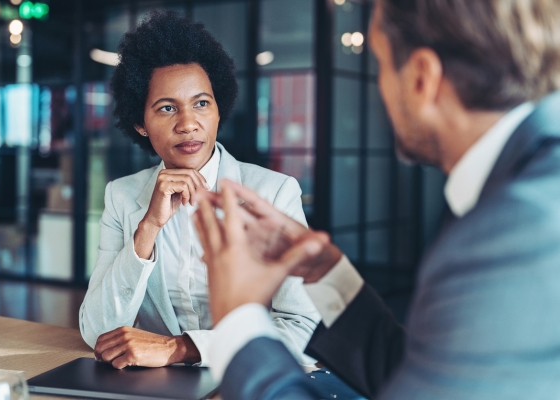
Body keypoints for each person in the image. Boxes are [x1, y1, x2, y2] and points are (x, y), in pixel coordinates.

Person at [193, 0, 560, 398]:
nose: (380, 90)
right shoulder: (525, 187)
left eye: (381, 65)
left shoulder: (520, 228)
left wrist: (238, 323)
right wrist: (326, 275)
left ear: (422, 78)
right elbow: (431, 371)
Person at [78, 10, 321, 370]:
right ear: (140, 124)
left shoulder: (273, 193)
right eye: (166, 108)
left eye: (202, 103)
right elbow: (97, 331)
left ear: (219, 109)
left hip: (251, 383)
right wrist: (147, 229)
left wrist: (181, 348)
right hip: (159, 390)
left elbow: (303, 327)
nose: (188, 124)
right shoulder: (122, 196)